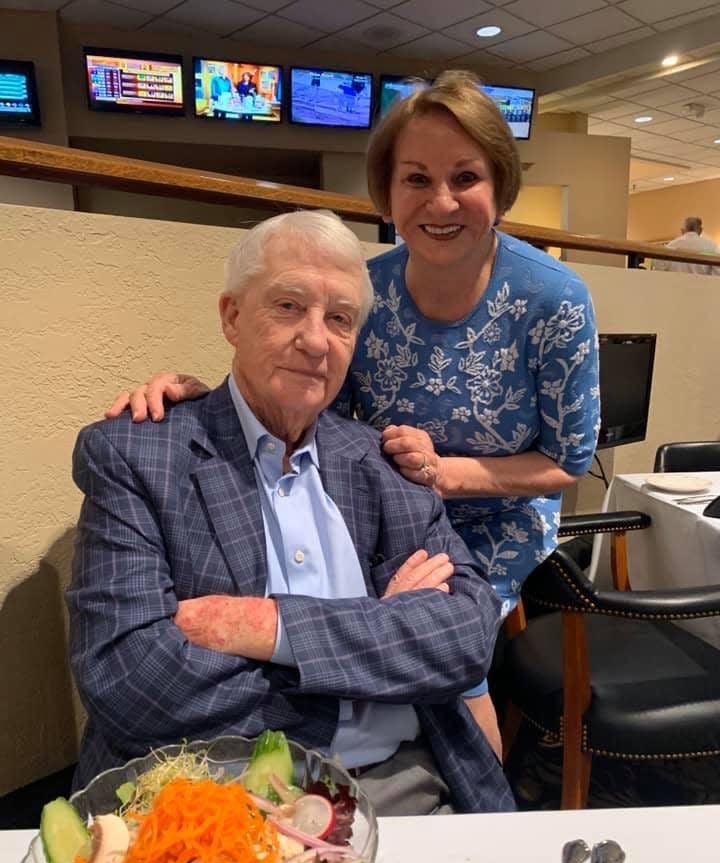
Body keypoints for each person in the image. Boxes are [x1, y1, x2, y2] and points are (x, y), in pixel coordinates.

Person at [106, 71, 601, 759]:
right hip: (385, 494)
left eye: (466, 176)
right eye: (416, 178)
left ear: (501, 184)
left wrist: (442, 476)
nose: (442, 201)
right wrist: (200, 394)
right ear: (388, 190)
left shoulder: (555, 299)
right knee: (361, 630)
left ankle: (488, 806)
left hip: (491, 515)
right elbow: (311, 387)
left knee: (458, 679)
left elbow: (568, 461)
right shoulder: (367, 291)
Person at [68, 210, 511, 816]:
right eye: (287, 307)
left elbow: (464, 640)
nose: (315, 340)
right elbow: (130, 679)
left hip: (398, 786)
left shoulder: (381, 462)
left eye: (340, 319)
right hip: (211, 794)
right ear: (232, 316)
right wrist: (377, 646)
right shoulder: (137, 453)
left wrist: (270, 629)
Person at [652, 216, 720, 275]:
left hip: (676, 285)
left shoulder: (671, 246)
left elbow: (659, 268)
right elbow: (717, 272)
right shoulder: (712, 246)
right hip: (703, 286)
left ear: (682, 230)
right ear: (700, 230)